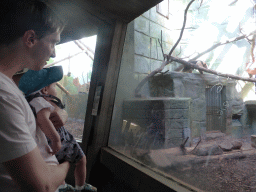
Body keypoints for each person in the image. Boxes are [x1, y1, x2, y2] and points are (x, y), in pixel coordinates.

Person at [0, 0, 76, 191]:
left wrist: (57, 111)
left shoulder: (10, 88)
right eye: (53, 42)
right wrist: (67, 162)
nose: (54, 53)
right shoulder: (4, 94)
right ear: (31, 39)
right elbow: (43, 186)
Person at [19, 66, 97, 192]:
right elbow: (43, 118)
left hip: (45, 142)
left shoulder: (27, 100)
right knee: (82, 159)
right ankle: (81, 187)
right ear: (45, 89)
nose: (56, 89)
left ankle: (62, 186)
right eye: (54, 86)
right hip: (59, 139)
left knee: (56, 164)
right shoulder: (39, 100)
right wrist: (55, 139)